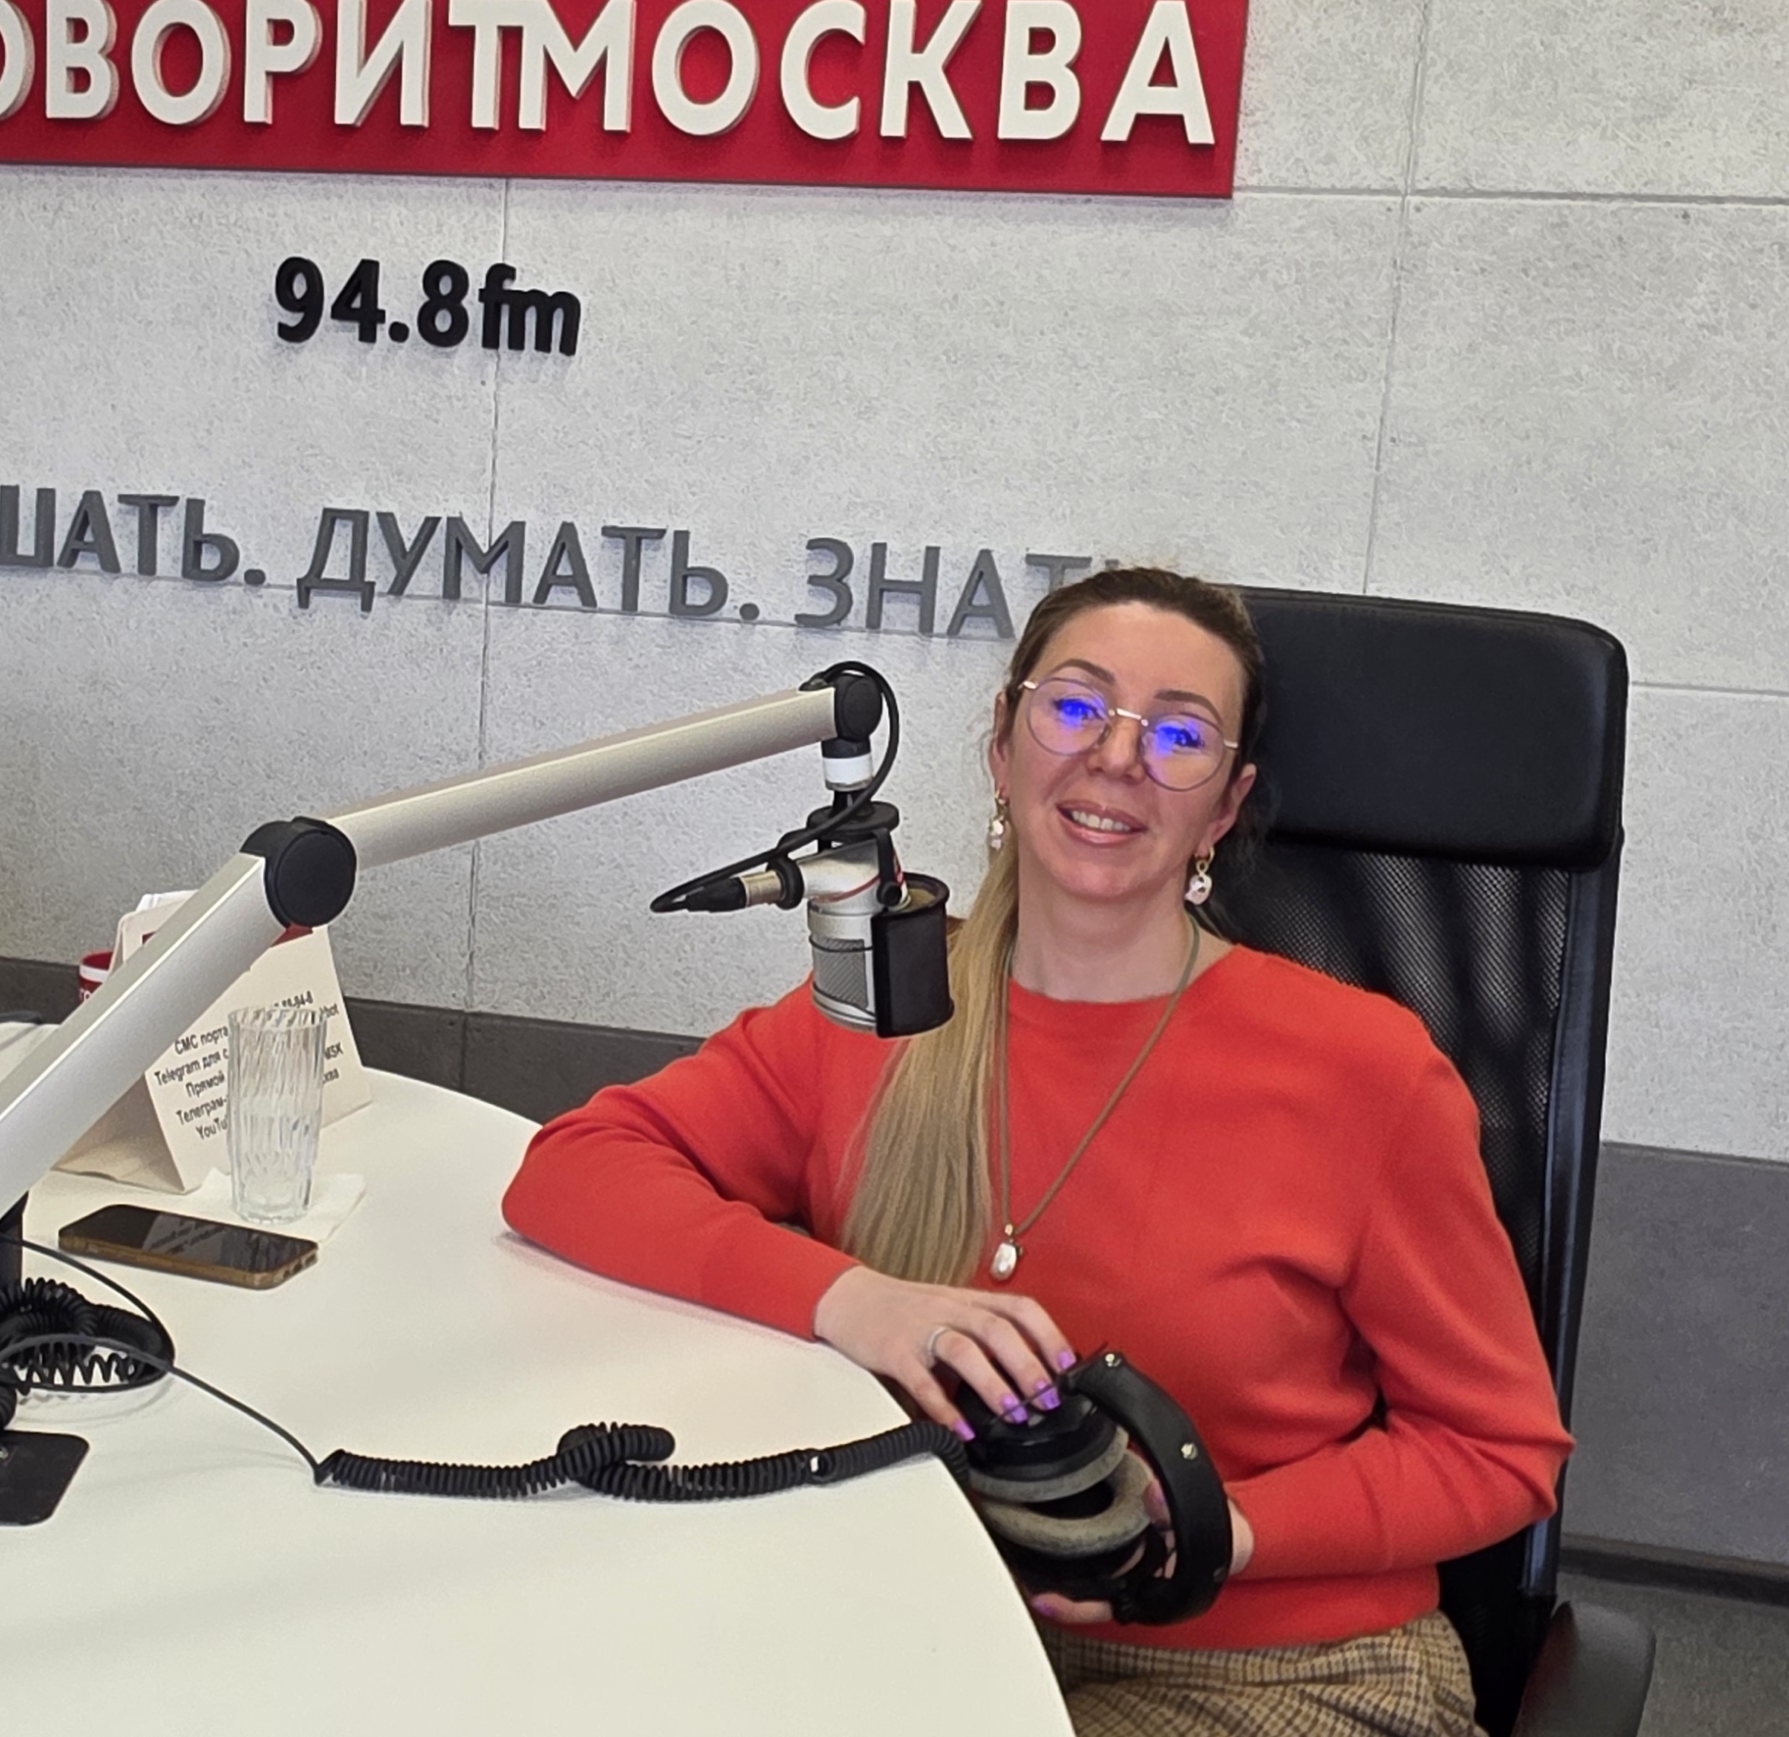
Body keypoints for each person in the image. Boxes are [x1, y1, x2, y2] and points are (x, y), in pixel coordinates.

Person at [500, 567, 1570, 1737]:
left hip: (1276, 1666)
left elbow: (1499, 1451)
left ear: (1224, 808)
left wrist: (1222, 1527)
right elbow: (574, 1166)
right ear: (1001, 749)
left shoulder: (1364, 1071)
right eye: (1074, 707)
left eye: (1179, 735)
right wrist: (850, 1301)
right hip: (925, 1631)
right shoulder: (884, 1005)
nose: (1116, 756)